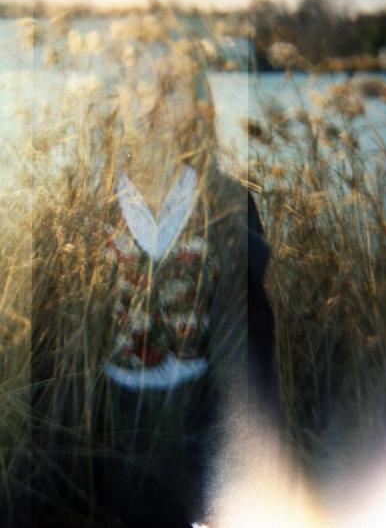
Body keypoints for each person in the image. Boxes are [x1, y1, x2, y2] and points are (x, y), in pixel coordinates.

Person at [26, 31, 278, 528]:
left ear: (197, 104)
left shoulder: (228, 205)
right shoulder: (82, 211)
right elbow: (53, 362)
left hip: (198, 430)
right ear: (116, 100)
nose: (154, 104)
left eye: (171, 88)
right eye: (139, 87)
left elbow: (250, 348)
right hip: (107, 439)